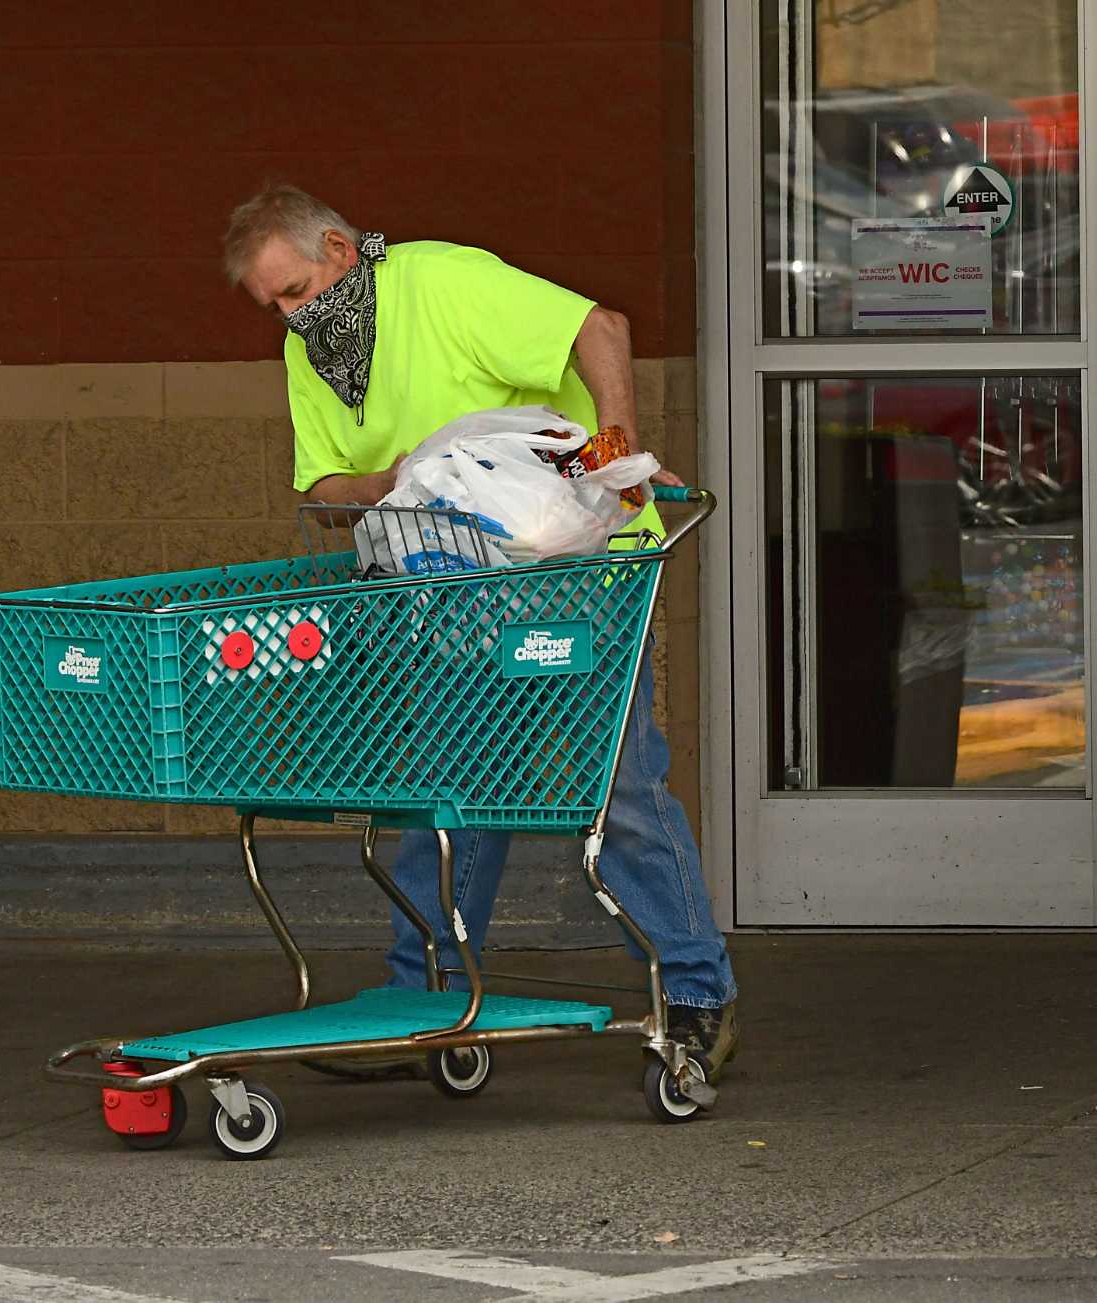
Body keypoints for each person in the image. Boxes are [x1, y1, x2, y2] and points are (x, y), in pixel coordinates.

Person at [221, 184, 739, 1079]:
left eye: (298, 291)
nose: (292, 317)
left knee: (615, 785)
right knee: (455, 789)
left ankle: (696, 993)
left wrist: (616, 447)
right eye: (275, 305)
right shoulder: (316, 352)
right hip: (452, 586)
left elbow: (599, 327)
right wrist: (397, 479)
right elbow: (323, 488)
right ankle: (425, 997)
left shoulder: (444, 282)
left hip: (577, 569)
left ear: (340, 249)